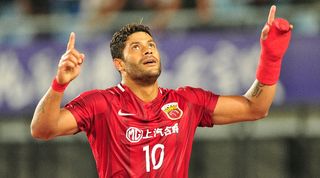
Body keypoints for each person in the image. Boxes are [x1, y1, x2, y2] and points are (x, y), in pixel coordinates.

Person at [30, 5, 292, 178]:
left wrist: (271, 57)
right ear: (118, 64)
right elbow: (42, 129)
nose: (148, 50)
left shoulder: (186, 101)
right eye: (136, 46)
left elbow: (255, 107)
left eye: (151, 44)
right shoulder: (100, 104)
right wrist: (59, 85)